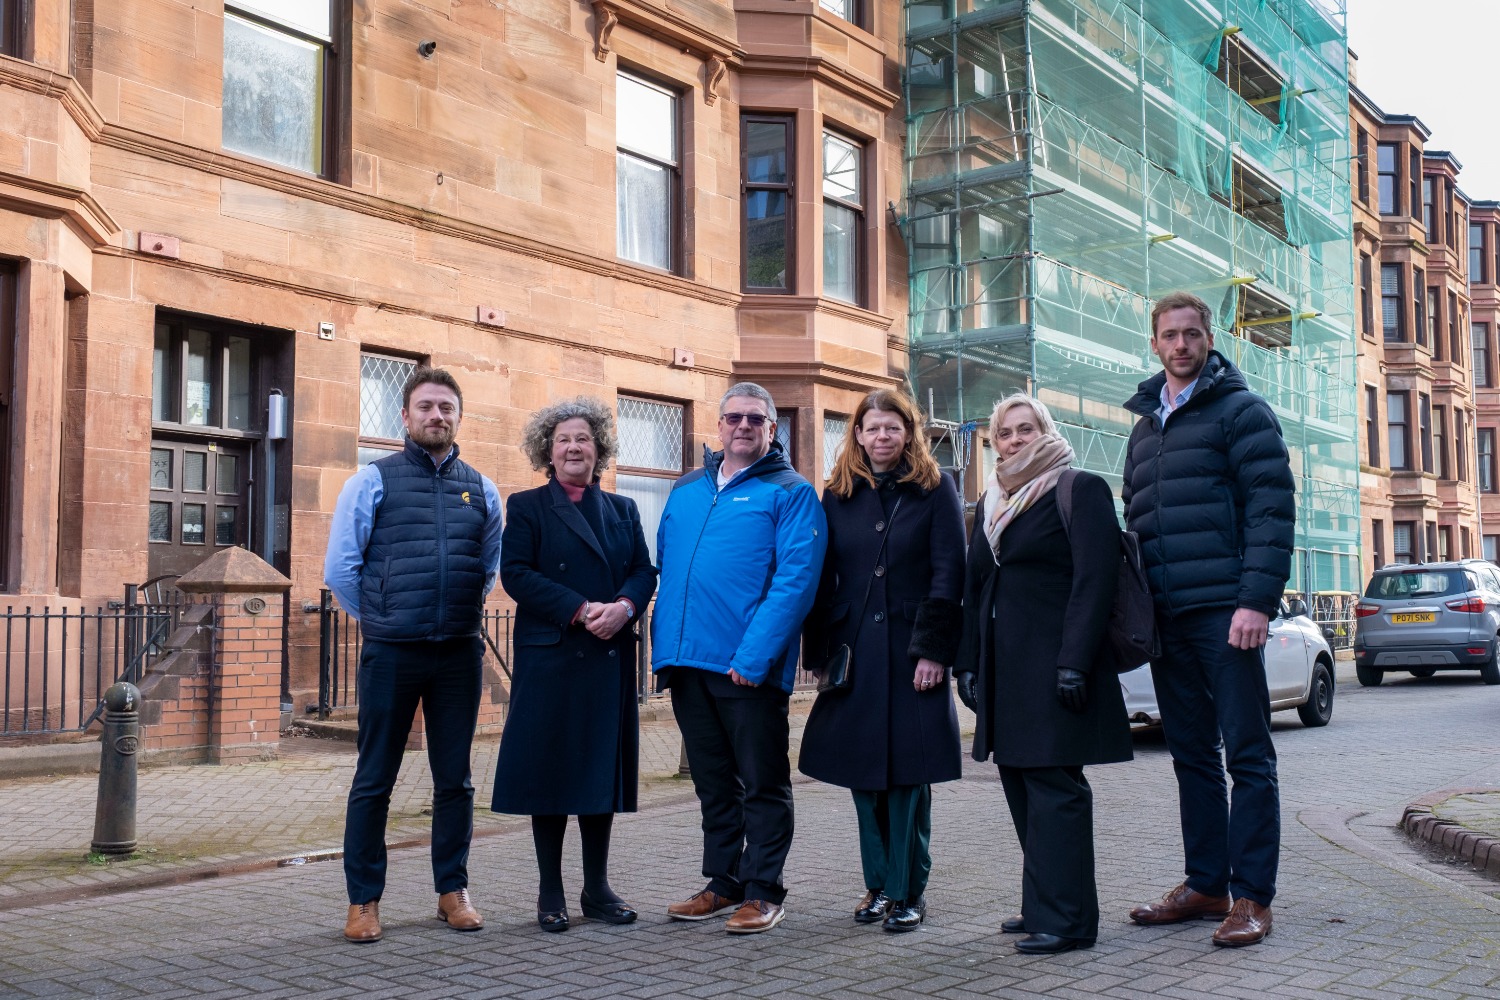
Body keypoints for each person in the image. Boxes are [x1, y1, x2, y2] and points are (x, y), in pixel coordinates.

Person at [1121, 290, 1295, 947]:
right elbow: (1134, 522)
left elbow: (1271, 510)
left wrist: (1256, 601)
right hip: (1167, 621)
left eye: (1192, 334)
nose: (1182, 345)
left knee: (1247, 756)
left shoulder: (1242, 412)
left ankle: (1252, 897)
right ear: (1155, 343)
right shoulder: (1144, 431)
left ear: (1209, 338)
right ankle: (1205, 885)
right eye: (1170, 335)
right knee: (1192, 755)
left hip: (1227, 614)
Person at [324, 366, 503, 944]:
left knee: (456, 780)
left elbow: (487, 568)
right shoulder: (371, 480)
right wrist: (383, 619)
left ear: (458, 416)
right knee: (374, 778)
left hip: (456, 654)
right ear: (405, 416)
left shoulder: (483, 488)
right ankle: (363, 902)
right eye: (425, 406)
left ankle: (452, 891)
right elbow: (341, 571)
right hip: (392, 654)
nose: (436, 415)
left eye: (446, 407)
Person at [953, 393, 1133, 955]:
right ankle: (1041, 906)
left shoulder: (1077, 488)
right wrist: (967, 662)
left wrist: (1075, 662)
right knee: (1020, 784)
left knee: (1057, 788)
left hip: (1057, 666)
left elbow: (1095, 581)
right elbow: (976, 585)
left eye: (1025, 430)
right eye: (1004, 433)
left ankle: (1070, 921)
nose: (1013, 441)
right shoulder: (992, 501)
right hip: (1006, 668)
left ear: (1045, 431)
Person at [651, 382, 827, 935]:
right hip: (687, 663)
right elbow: (669, 565)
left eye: (756, 419)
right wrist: (666, 650)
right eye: (734, 418)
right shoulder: (685, 490)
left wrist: (754, 656)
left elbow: (797, 581)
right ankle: (722, 883)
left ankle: (764, 890)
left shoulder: (792, 492)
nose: (743, 426)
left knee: (763, 781)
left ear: (772, 430)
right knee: (712, 782)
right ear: (719, 425)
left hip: (746, 667)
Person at [798, 389, 966, 934]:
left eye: (892, 427)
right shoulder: (837, 495)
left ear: (908, 432)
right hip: (857, 656)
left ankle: (908, 890)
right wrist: (820, 652)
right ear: (858, 435)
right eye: (872, 428)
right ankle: (876, 887)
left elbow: (949, 575)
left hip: (913, 654)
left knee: (908, 778)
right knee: (863, 776)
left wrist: (934, 651)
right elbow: (823, 581)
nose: (882, 437)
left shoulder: (936, 490)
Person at [490, 398, 659, 932]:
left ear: (598, 449)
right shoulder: (527, 505)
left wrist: (626, 607)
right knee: (551, 774)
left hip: (607, 657)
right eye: (563, 439)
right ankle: (550, 890)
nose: (573, 447)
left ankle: (597, 887)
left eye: (583, 438)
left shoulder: (623, 510)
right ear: (548, 449)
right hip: (554, 655)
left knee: (596, 774)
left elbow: (642, 570)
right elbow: (515, 573)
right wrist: (581, 609)